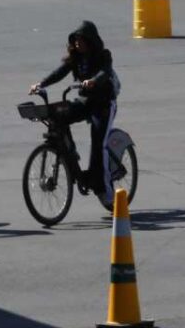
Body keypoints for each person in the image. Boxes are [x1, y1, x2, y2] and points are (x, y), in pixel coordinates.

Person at [29, 21, 121, 208]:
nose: (78, 44)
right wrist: (41, 84)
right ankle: (70, 152)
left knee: (99, 145)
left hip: (103, 104)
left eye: (82, 40)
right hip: (86, 102)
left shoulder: (104, 55)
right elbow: (60, 72)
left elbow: (105, 72)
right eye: (76, 40)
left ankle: (106, 192)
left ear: (91, 40)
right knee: (58, 116)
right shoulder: (76, 58)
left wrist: (93, 81)